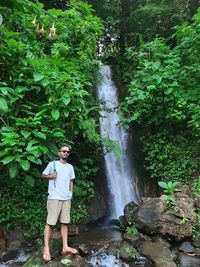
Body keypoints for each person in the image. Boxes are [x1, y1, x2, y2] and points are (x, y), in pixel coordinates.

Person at [42, 145, 78, 263]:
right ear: (59, 153)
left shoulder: (70, 167)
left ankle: (65, 246)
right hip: (54, 198)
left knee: (64, 223)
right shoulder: (52, 165)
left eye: (67, 152)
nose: (66, 153)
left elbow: (71, 181)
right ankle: (46, 249)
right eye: (64, 151)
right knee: (50, 223)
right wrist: (50, 176)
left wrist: (70, 194)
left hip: (66, 198)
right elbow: (43, 175)